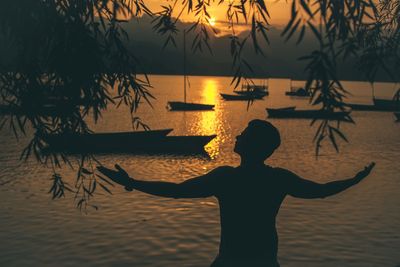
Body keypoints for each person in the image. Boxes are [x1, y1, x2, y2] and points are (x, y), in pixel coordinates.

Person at [98, 119, 375, 267]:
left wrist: (132, 182)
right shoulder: (277, 179)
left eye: (243, 134)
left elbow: (176, 192)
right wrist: (354, 180)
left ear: (253, 144)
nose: (237, 137)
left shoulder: (226, 178)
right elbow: (321, 191)